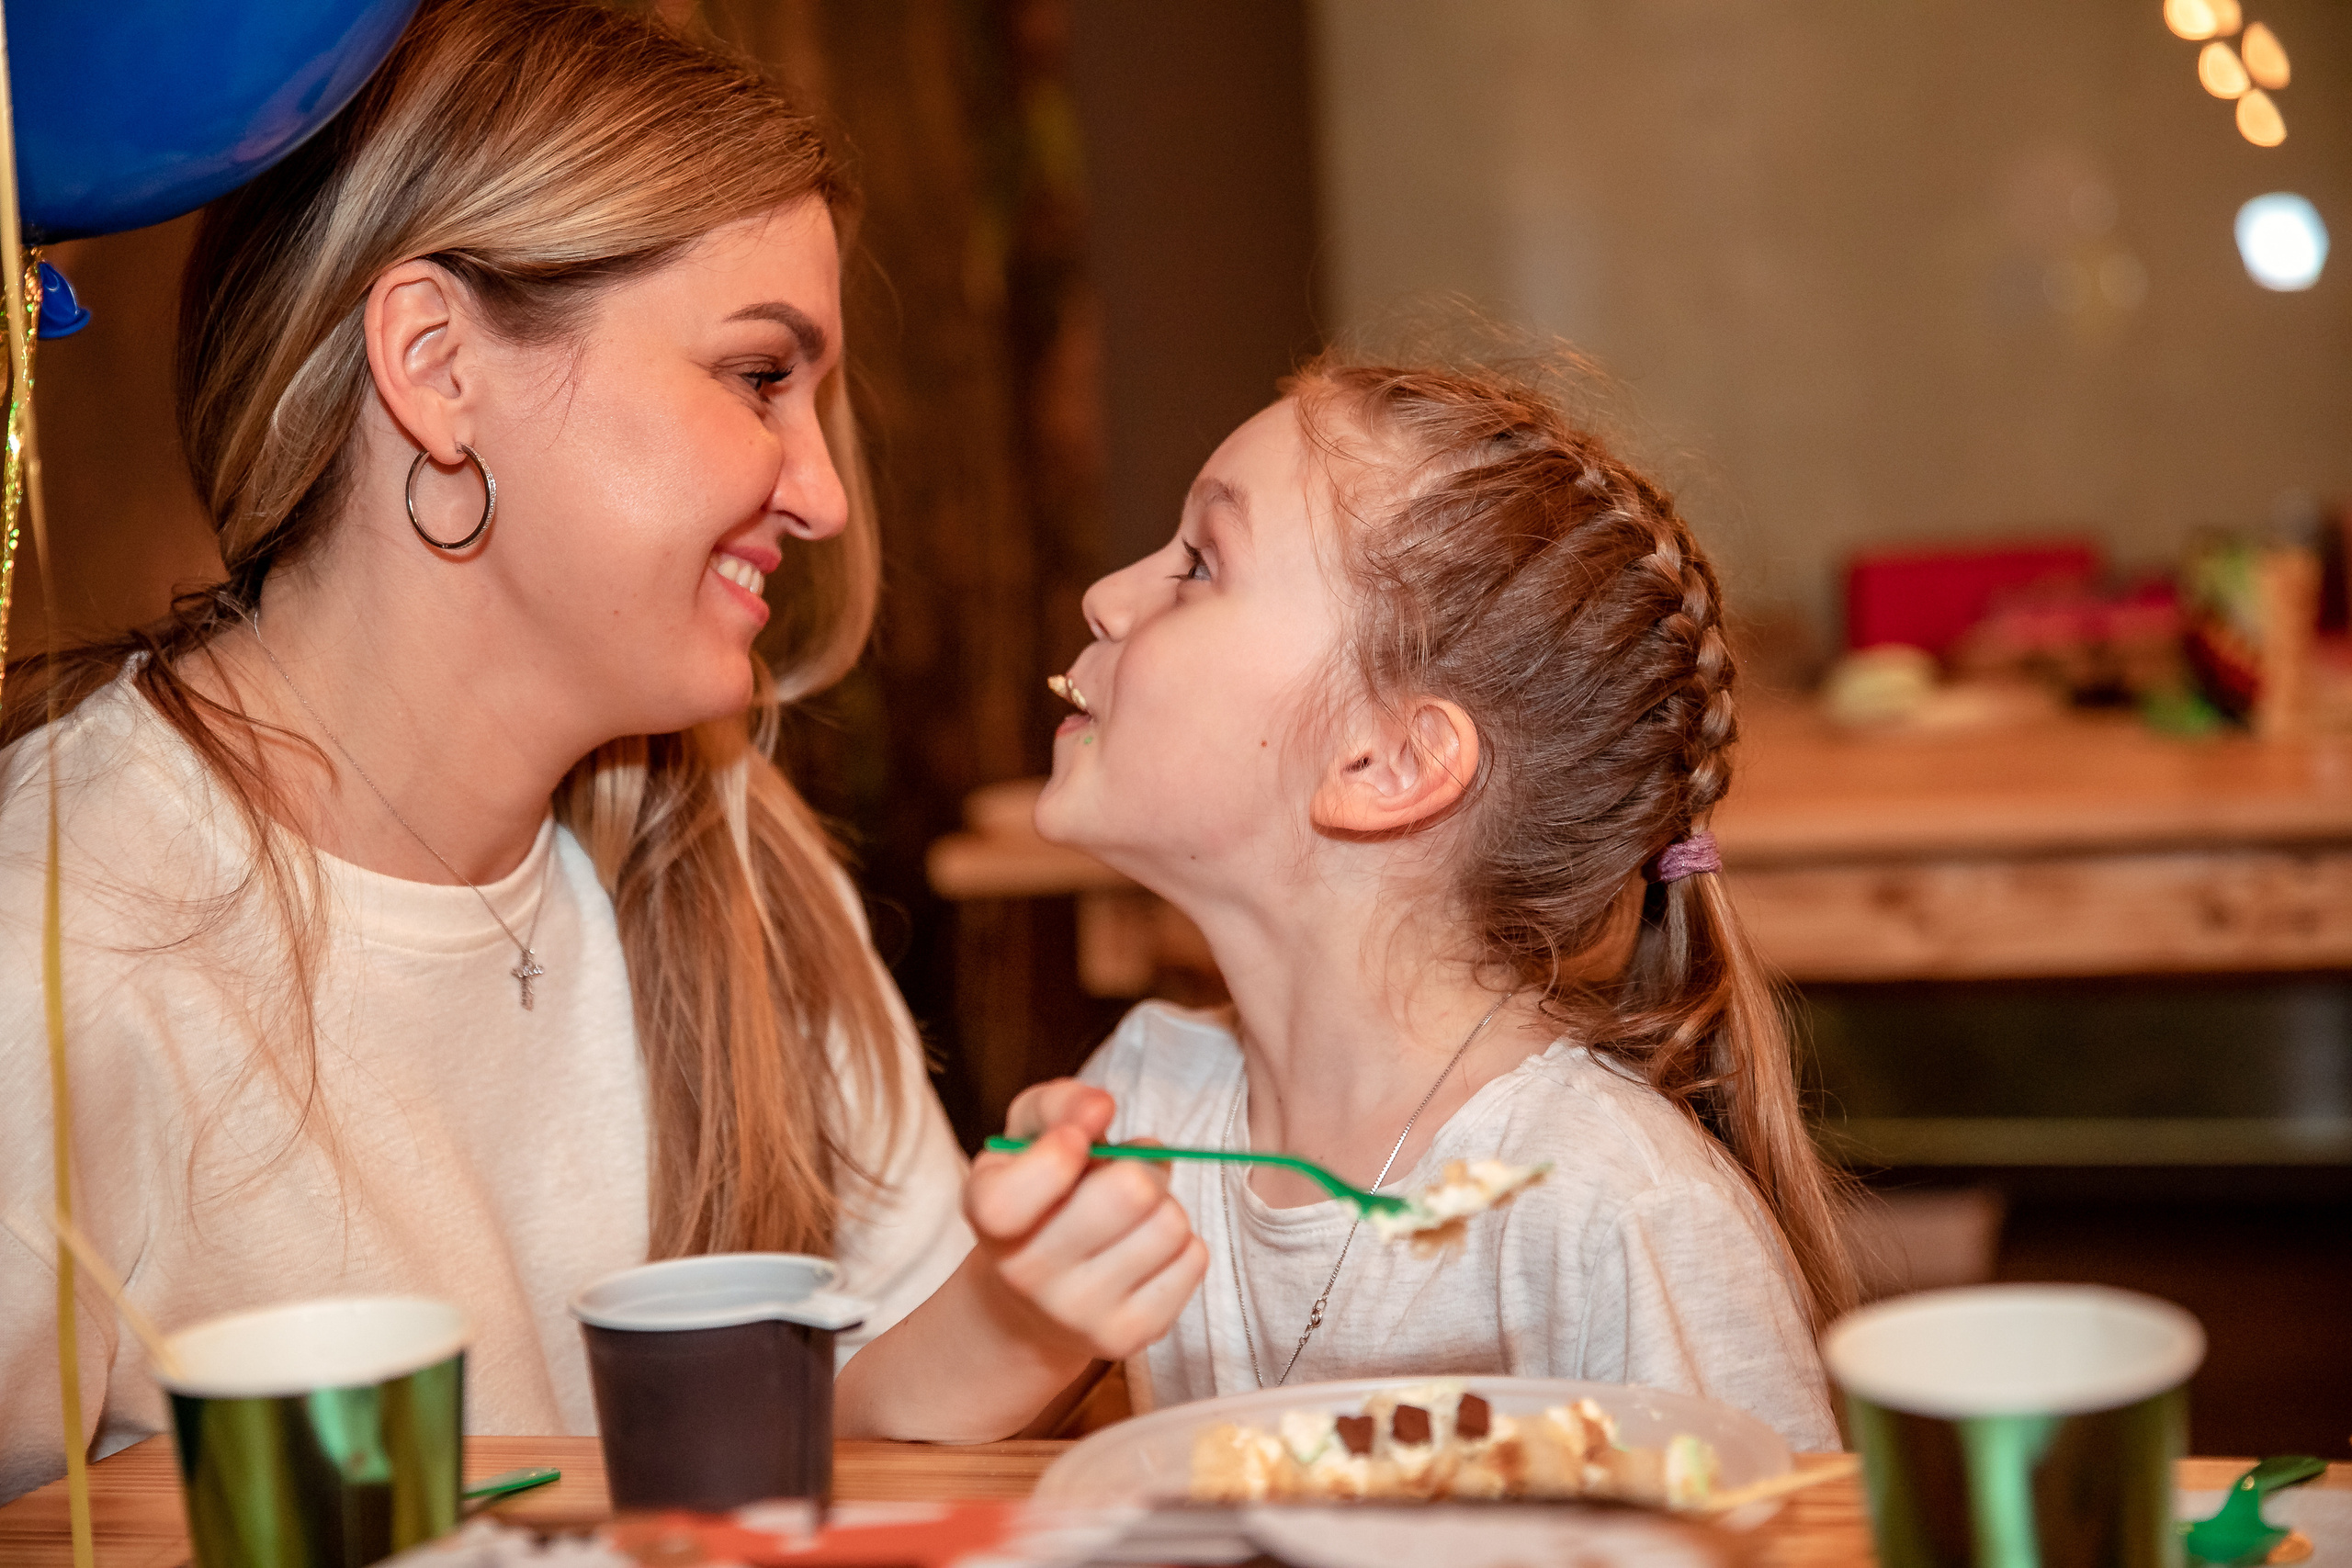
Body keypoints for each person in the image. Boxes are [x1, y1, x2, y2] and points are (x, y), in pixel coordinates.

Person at [0, 0, 1181, 1503]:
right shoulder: (59, 948)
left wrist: (1018, 1310)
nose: (819, 492)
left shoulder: (730, 865)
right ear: (436, 366)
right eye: (761, 375)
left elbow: (838, 1447)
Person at [992, 355, 1858, 1449]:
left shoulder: (1607, 1204)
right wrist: (1012, 1300)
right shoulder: (1145, 1106)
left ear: (1385, 762)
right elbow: (869, 1447)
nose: (1108, 595)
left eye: (1200, 563)